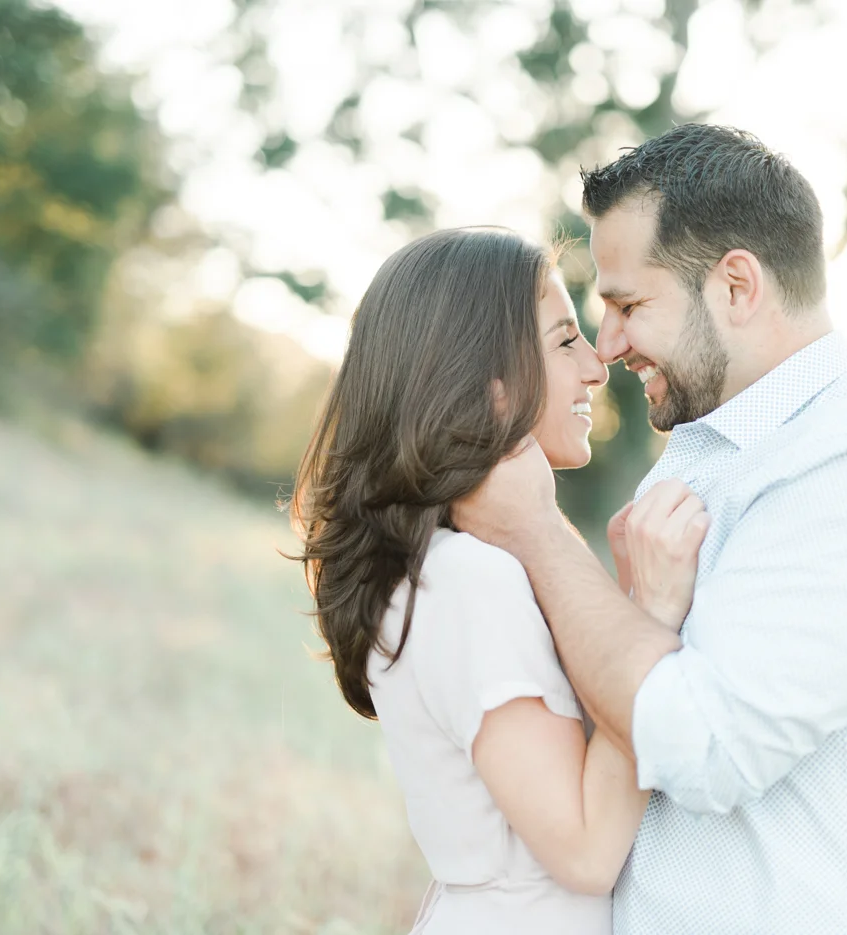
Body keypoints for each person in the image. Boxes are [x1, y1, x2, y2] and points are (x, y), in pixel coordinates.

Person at [452, 124, 847, 934]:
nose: (607, 345)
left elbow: (704, 743)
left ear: (737, 287)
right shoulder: (702, 456)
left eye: (628, 304)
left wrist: (538, 533)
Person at [289, 226, 707, 934]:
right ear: (490, 384)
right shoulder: (466, 580)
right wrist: (655, 615)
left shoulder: (455, 566)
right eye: (565, 340)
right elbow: (582, 849)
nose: (597, 368)